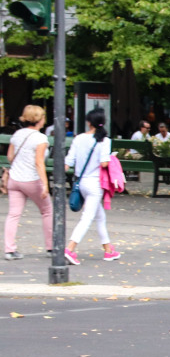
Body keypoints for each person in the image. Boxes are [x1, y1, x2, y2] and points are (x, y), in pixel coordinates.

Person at [65, 112, 120, 264]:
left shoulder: (79, 138)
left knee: (100, 217)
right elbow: (104, 163)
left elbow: (68, 161)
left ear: (89, 122)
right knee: (87, 218)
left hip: (80, 182)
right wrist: (112, 158)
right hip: (95, 184)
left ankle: (108, 250)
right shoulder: (104, 140)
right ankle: (70, 248)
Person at [4, 105, 54, 260]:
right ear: (39, 120)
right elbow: (39, 163)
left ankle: (9, 249)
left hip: (15, 179)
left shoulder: (17, 134)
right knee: (47, 211)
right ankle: (51, 247)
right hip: (31, 179)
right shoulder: (40, 138)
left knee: (13, 214)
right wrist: (45, 184)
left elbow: (10, 156)